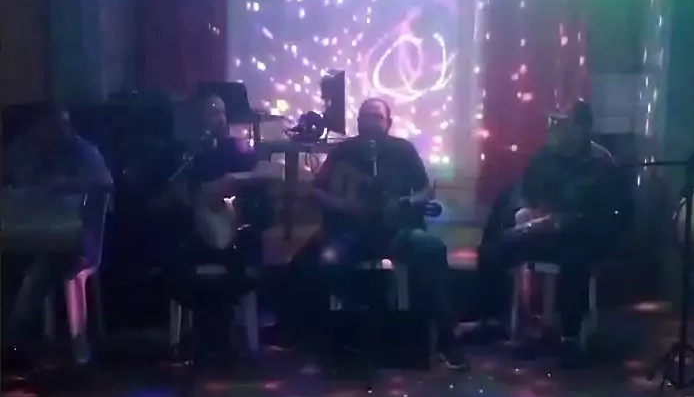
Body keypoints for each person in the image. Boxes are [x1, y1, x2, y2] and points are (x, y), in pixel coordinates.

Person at [291, 98, 468, 370]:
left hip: (397, 231)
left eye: (377, 117)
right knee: (327, 260)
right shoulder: (343, 152)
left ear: (389, 123)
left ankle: (447, 337)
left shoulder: (403, 150)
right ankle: (349, 334)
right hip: (351, 233)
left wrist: (410, 202)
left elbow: (424, 190)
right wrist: (344, 205)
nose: (371, 123)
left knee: (431, 247)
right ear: (357, 122)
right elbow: (317, 192)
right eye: (366, 117)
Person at [476, 99, 622, 367]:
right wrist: (524, 212)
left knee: (574, 261)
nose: (551, 127)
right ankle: (493, 321)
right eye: (551, 121)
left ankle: (570, 338)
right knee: (495, 248)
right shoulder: (544, 157)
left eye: (560, 122)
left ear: (580, 129)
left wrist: (562, 221)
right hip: (544, 231)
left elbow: (609, 215)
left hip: (585, 236)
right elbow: (525, 192)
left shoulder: (601, 164)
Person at [157, 93, 275, 354]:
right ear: (198, 120)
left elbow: (269, 172)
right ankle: (199, 335)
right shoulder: (187, 154)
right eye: (211, 112)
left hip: (235, 237)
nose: (219, 117)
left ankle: (224, 333)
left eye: (221, 111)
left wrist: (233, 179)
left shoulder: (238, 147)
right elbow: (170, 195)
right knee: (177, 263)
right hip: (197, 237)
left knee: (241, 265)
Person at [1, 102, 113, 366]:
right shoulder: (22, 151)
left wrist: (68, 186)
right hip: (23, 236)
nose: (60, 131)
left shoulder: (85, 152)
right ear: (36, 128)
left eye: (64, 125)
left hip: (73, 241)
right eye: (51, 126)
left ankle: (9, 341)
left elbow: (105, 184)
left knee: (37, 275)